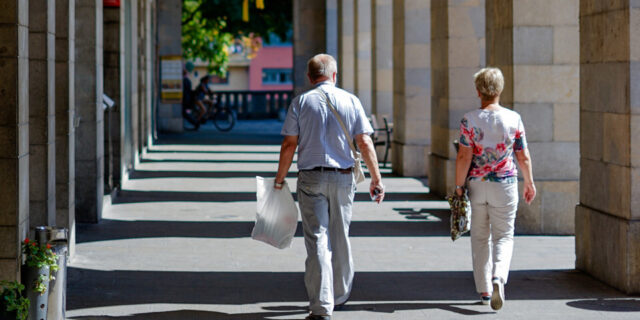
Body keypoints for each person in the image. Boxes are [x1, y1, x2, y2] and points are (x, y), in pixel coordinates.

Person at [274, 53, 385, 320]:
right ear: (334, 75)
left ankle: (322, 304)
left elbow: (289, 144)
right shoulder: (351, 100)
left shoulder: (300, 102)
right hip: (344, 177)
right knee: (340, 236)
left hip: (311, 178)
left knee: (317, 239)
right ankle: (340, 294)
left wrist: (279, 179)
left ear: (310, 78)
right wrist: (376, 179)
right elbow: (365, 143)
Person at [454, 67, 536, 310]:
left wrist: (459, 187)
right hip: (506, 184)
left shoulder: (469, 119)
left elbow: (463, 157)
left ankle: (485, 291)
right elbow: (523, 156)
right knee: (504, 235)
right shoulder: (514, 118)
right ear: (499, 90)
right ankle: (499, 277)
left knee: (479, 237)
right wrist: (529, 182)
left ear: (479, 91)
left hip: (477, 184)